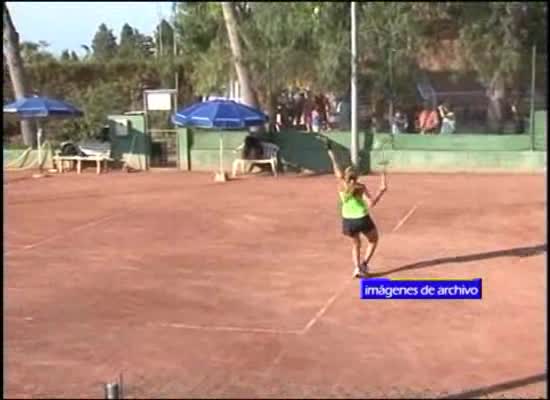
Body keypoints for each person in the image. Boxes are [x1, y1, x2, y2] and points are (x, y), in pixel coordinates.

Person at [326, 140, 388, 278]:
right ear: (357, 176)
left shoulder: (341, 185)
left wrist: (330, 152)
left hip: (348, 221)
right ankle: (364, 264)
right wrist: (381, 191)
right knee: (373, 240)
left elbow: (335, 167)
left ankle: (357, 268)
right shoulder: (361, 187)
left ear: (345, 177)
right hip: (362, 218)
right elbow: (371, 204)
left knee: (356, 244)